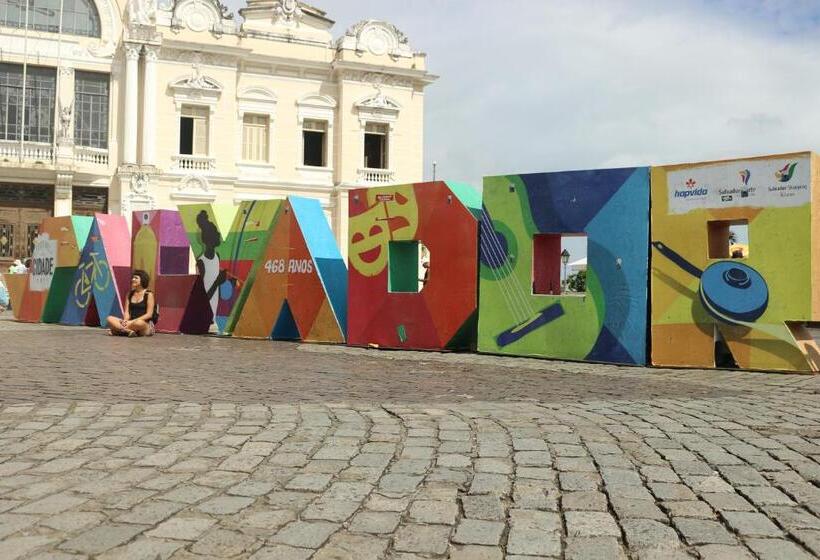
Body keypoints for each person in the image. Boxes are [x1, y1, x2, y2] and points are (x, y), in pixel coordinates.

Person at [106, 270, 157, 337]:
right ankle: (128, 331)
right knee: (109, 318)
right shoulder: (129, 294)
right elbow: (127, 312)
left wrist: (131, 322)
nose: (133, 279)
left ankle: (120, 331)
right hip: (130, 323)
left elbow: (149, 314)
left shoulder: (148, 294)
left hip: (143, 323)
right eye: (133, 278)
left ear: (142, 280)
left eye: (136, 278)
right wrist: (125, 320)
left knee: (138, 323)